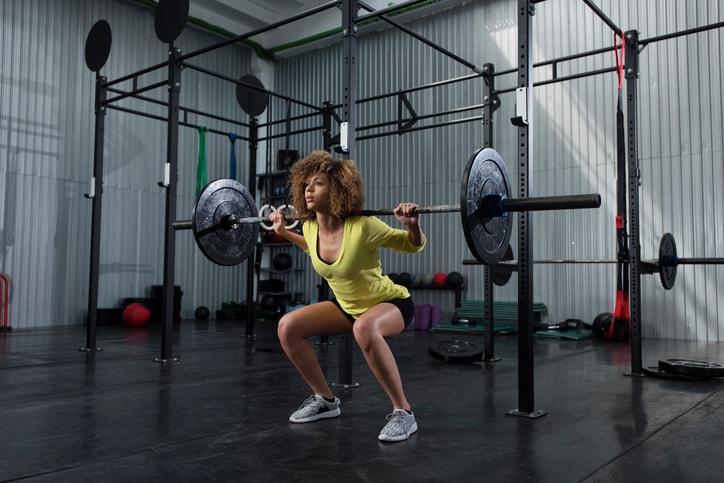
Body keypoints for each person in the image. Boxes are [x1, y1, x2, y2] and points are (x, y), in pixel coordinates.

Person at [268, 150, 426, 442]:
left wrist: (413, 226)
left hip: (389, 304)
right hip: (347, 307)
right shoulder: (310, 226)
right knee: (288, 326)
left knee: (363, 327)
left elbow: (411, 245)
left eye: (319, 183)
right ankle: (325, 400)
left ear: (338, 188)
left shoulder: (363, 226)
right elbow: (313, 248)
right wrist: (284, 232)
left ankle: (404, 413)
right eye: (307, 184)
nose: (309, 189)